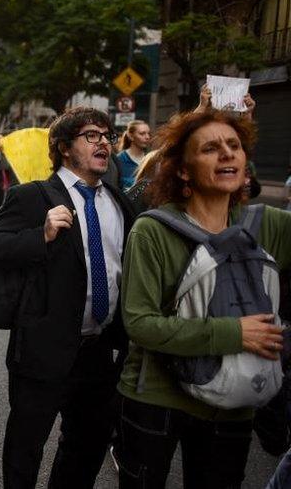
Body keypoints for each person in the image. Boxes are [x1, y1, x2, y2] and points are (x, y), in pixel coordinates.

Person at [114, 109, 291, 489]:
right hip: (157, 400)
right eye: (210, 148)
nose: (227, 154)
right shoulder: (152, 230)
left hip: (234, 405)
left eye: (234, 145)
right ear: (183, 170)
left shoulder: (267, 225)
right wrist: (235, 334)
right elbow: (140, 324)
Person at [0, 107, 135, 489]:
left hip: (101, 352)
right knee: (26, 446)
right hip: (44, 348)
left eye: (107, 136)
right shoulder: (32, 196)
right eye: (91, 135)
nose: (104, 143)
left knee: (87, 445)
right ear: (64, 147)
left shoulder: (117, 200)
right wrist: (40, 235)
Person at [114, 120, 151, 190]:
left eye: (148, 133)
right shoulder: (119, 160)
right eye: (142, 134)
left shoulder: (150, 160)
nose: (147, 137)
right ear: (131, 136)